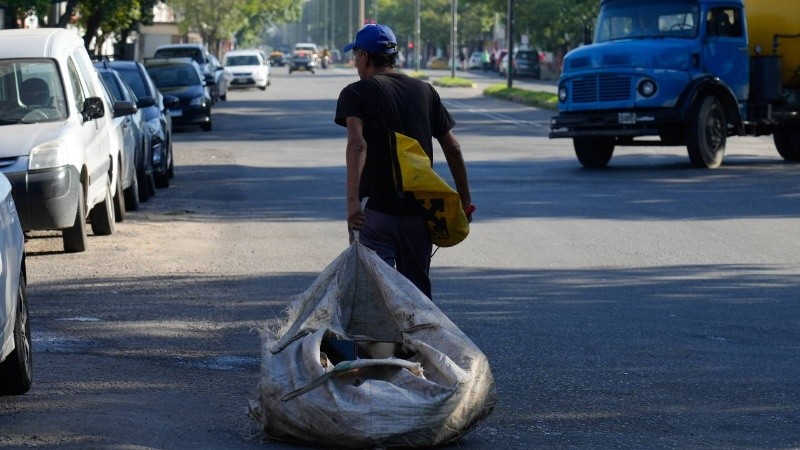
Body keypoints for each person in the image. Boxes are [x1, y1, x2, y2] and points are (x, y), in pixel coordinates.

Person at [334, 23, 473, 299]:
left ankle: (379, 343)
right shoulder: (425, 91)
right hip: (418, 216)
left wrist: (351, 203)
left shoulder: (355, 93)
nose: (355, 64)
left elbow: (357, 144)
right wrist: (464, 202)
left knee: (374, 295)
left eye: (355, 57)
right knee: (417, 298)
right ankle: (417, 342)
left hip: (373, 214)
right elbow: (453, 148)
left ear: (364, 57)